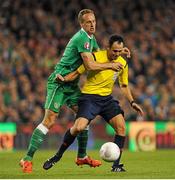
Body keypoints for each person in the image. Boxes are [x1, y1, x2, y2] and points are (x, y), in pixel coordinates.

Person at [19, 9, 129, 173]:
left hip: (72, 85)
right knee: (49, 120)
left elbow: (102, 55)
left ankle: (82, 156)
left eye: (93, 21)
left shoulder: (92, 40)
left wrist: (120, 52)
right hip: (59, 82)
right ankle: (27, 159)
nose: (92, 25)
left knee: (83, 118)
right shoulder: (81, 38)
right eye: (88, 22)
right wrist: (111, 65)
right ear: (81, 24)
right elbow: (91, 65)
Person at [42, 34, 144, 172]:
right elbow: (78, 72)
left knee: (121, 128)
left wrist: (132, 102)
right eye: (114, 51)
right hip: (89, 98)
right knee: (78, 128)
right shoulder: (95, 57)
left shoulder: (123, 63)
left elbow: (124, 86)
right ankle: (57, 156)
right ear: (107, 47)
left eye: (120, 51)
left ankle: (116, 166)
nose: (117, 54)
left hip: (107, 99)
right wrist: (64, 79)